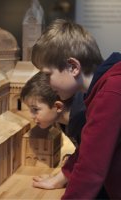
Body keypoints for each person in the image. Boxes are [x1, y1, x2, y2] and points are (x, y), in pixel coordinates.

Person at [31, 18, 121, 199]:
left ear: (73, 67)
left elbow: (91, 168)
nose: (47, 83)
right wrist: (62, 176)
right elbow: (89, 148)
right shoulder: (103, 90)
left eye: (48, 74)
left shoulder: (110, 92)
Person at [20, 71, 86, 190]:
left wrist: (58, 180)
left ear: (58, 107)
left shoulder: (84, 119)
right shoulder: (64, 121)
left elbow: (89, 157)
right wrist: (61, 177)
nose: (31, 115)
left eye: (35, 109)